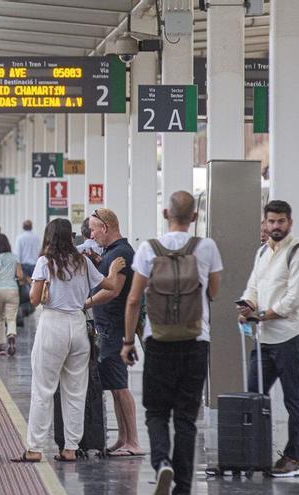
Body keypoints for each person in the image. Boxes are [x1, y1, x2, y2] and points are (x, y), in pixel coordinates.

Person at [122, 191, 223, 494]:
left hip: (158, 340)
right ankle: (184, 486)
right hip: (196, 339)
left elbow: (133, 299)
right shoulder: (206, 248)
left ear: (166, 214)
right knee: (186, 418)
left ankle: (161, 462)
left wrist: (128, 342)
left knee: (156, 411)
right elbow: (214, 293)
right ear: (194, 217)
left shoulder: (148, 249)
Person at [11, 219, 125, 463]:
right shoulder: (83, 262)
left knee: (43, 389)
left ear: (49, 237)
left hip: (53, 324)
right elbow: (110, 285)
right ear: (71, 237)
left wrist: (42, 289)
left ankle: (34, 448)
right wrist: (114, 270)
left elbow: (33, 300)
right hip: (78, 325)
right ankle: (70, 449)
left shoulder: (45, 262)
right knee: (75, 390)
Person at [236, 199, 299, 477]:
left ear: (289, 223)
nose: (275, 226)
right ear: (265, 223)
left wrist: (264, 314)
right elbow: (253, 286)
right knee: (253, 394)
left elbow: (294, 299)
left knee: (293, 397)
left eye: (280, 221)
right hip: (264, 337)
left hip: (291, 336)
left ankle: (293, 457)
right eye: (271, 221)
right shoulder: (263, 253)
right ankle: (256, 453)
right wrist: (246, 305)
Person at [85, 208, 141, 457]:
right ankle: (123, 438)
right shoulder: (110, 253)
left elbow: (113, 290)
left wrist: (84, 304)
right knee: (114, 385)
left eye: (94, 228)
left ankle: (134, 442)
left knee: (120, 387)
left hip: (114, 328)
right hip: (107, 327)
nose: (91, 233)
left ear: (105, 227)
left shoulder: (121, 253)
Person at [0, 233, 22, 356]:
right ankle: (11, 335)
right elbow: (20, 275)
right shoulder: (15, 257)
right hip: (13, 290)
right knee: (11, 318)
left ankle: (1, 346)